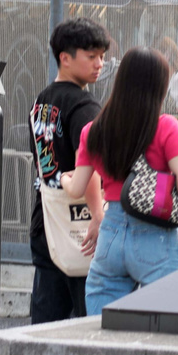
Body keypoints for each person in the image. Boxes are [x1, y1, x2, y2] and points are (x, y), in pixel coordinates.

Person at [65, 47, 178, 314]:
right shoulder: (166, 127)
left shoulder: (94, 131)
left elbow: (76, 189)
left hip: (111, 235)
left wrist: (63, 178)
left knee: (101, 326)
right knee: (162, 326)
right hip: (156, 237)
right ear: (159, 88)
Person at [29, 18, 110, 323]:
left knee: (45, 320)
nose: (99, 64)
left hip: (46, 220)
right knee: (86, 323)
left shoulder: (42, 101)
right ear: (65, 57)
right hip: (80, 224)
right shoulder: (84, 106)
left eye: (102, 56)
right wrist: (98, 215)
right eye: (91, 56)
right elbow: (88, 163)